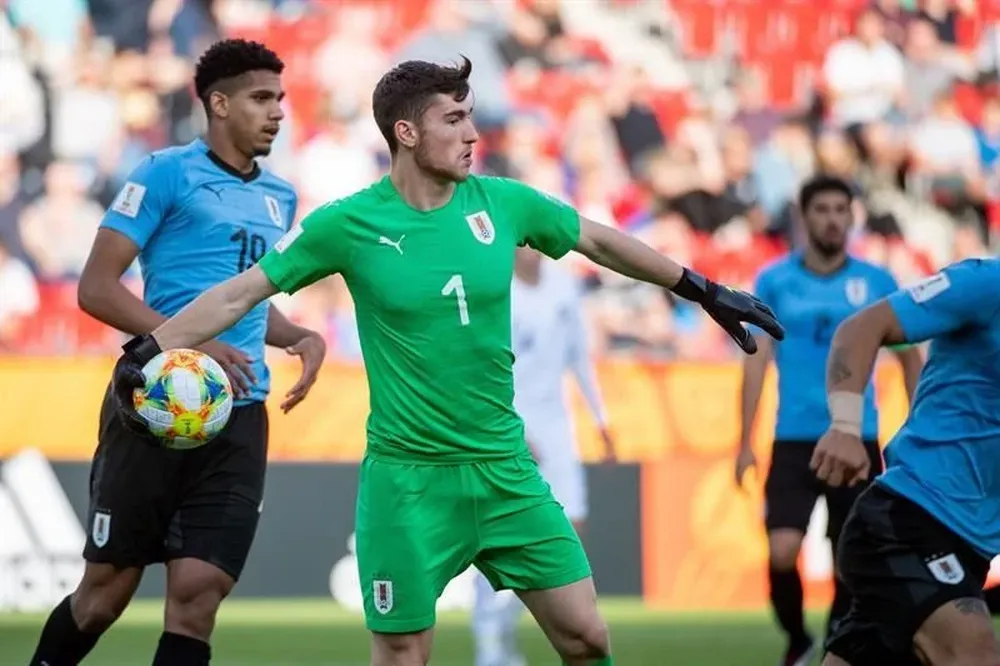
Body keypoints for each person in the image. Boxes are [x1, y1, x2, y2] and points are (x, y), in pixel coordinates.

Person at [106, 57, 783, 666]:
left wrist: (704, 290)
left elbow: (601, 243)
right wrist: (153, 347)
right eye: (454, 119)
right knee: (403, 655)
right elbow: (241, 292)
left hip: (504, 471)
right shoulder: (347, 224)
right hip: (408, 484)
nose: (471, 134)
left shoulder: (502, 202)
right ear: (405, 133)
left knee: (587, 637)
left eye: (472, 118)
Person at [28, 39, 326, 666]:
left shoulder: (281, 196)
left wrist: (296, 334)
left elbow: (243, 297)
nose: (277, 112)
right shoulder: (165, 172)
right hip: (155, 402)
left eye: (281, 98)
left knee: (198, 595)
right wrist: (197, 342)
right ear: (218, 103)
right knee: (104, 596)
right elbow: (97, 288)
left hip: (238, 413)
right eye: (261, 98)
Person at [736, 175, 923, 666]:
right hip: (793, 436)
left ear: (852, 216)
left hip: (857, 438)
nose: (833, 219)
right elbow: (754, 361)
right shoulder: (774, 280)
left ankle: (838, 644)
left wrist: (919, 429)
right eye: (823, 210)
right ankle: (797, 638)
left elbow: (907, 358)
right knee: (781, 551)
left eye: (842, 209)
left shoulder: (878, 282)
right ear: (804, 216)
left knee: (853, 557)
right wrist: (744, 441)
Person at [811, 257, 1000, 666]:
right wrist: (845, 426)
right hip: (908, 518)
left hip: (968, 549)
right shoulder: (988, 283)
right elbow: (861, 327)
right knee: (974, 650)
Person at [471, 246, 614, 666]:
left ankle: (504, 630)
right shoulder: (495, 290)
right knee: (501, 537)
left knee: (570, 531)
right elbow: (480, 366)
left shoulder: (565, 288)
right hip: (510, 425)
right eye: (522, 242)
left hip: (558, 426)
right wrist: (512, 428)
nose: (531, 250)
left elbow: (579, 358)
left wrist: (601, 418)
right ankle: (490, 640)